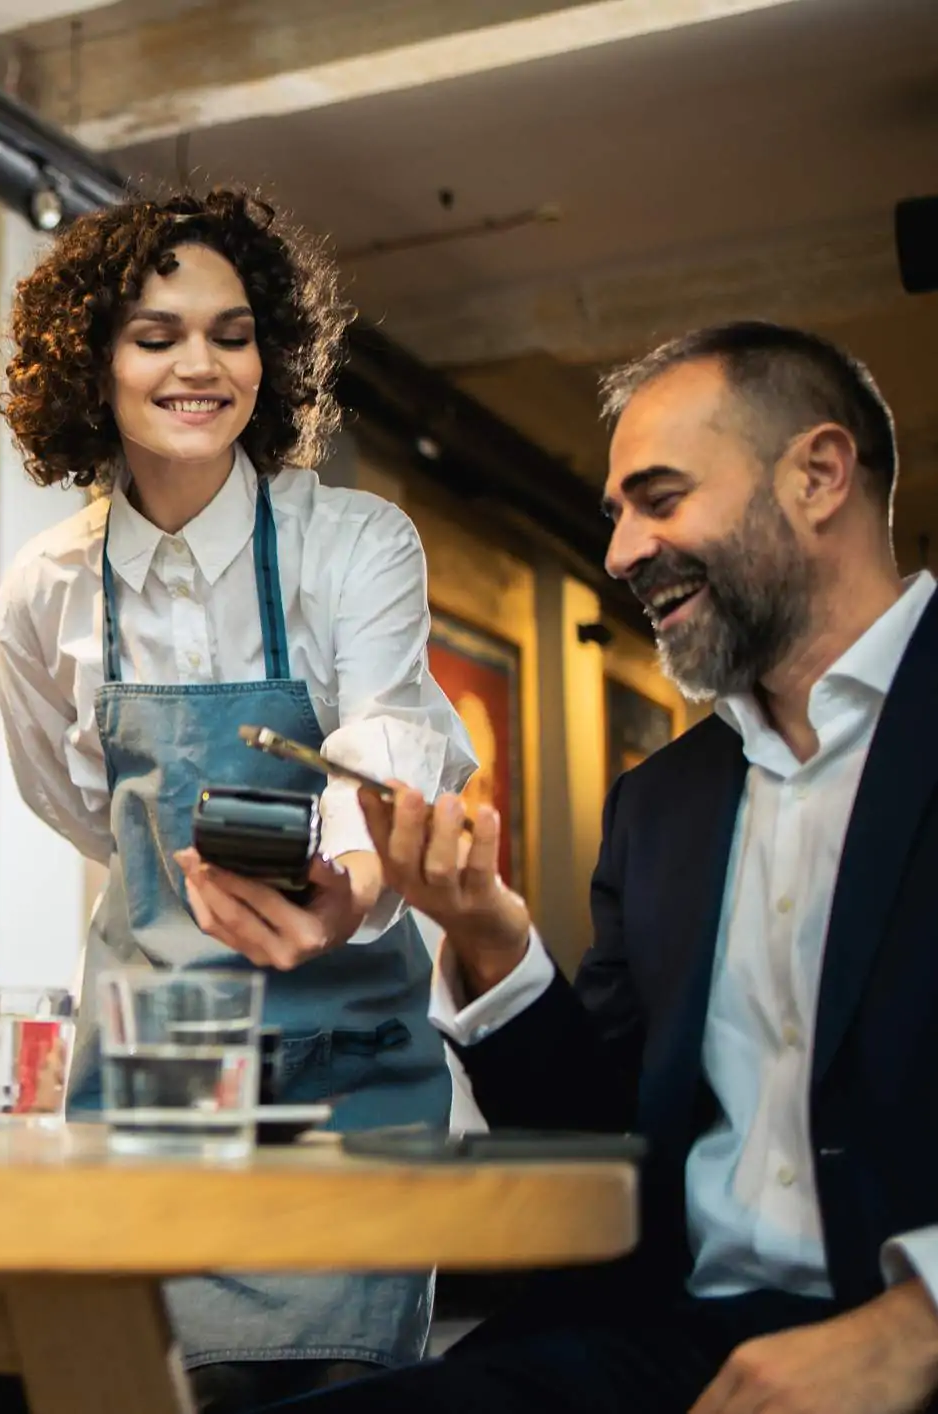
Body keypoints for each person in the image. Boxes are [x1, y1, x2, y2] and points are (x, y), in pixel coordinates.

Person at [282, 321, 938, 1414]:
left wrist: (914, 1326)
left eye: (660, 497)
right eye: (616, 514)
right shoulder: (660, 805)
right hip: (653, 1345)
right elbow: (601, 1141)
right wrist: (486, 934)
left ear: (818, 475)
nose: (623, 550)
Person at [0, 185, 478, 1406]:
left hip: (342, 1087)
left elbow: (387, 734)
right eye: (154, 335)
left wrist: (347, 881)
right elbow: (76, 803)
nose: (199, 364)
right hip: (150, 1084)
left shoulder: (354, 545)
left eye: (232, 331)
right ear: (88, 364)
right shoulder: (45, 588)